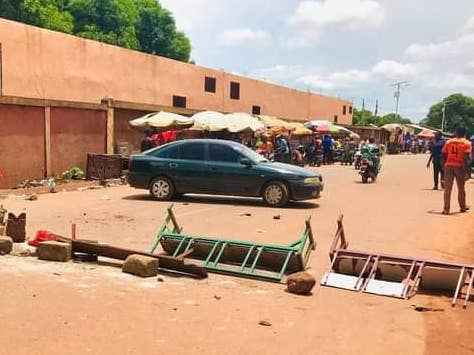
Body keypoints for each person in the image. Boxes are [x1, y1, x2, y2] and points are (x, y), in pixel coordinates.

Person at [441, 126, 471, 214]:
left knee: (447, 189)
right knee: (461, 188)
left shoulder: (448, 142)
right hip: (460, 167)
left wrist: (443, 167)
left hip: (448, 166)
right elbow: (466, 158)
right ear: (465, 133)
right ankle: (462, 207)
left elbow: (443, 155)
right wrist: (468, 171)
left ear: (456, 132)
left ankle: (446, 209)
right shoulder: (466, 143)